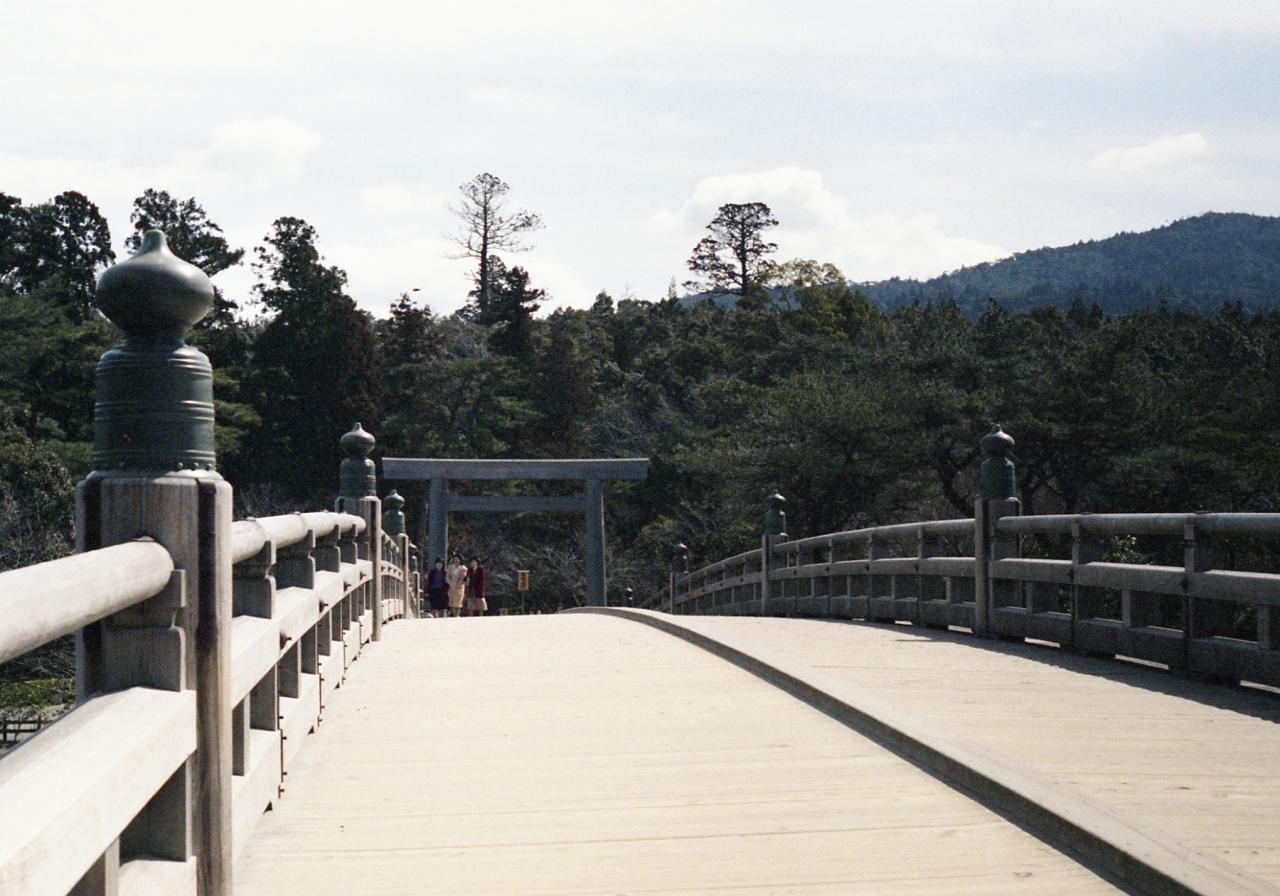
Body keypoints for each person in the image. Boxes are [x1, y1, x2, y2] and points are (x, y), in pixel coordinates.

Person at [446, 553, 468, 619]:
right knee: (452, 602)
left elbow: (463, 577)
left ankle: (457, 615)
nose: (456, 560)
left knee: (458, 602)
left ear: (460, 560)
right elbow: (447, 576)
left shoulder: (463, 568)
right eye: (454, 559)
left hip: (459, 587)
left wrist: (460, 582)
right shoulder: (450, 567)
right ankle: (453, 615)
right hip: (452, 586)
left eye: (457, 559)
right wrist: (450, 582)